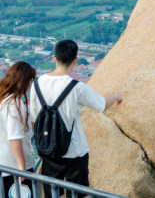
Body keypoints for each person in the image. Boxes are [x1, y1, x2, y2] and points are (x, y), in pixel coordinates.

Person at [29, 40, 122, 196]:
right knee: (77, 193)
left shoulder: (37, 84)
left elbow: (34, 119)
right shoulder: (76, 87)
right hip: (75, 152)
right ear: (75, 60)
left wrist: (43, 144)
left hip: (49, 151)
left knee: (51, 194)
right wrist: (115, 97)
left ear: (54, 58)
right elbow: (102, 104)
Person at [0, 61, 37, 196]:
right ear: (23, 82)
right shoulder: (13, 103)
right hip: (13, 166)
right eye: (29, 81)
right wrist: (21, 167)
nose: (29, 86)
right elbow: (14, 136)